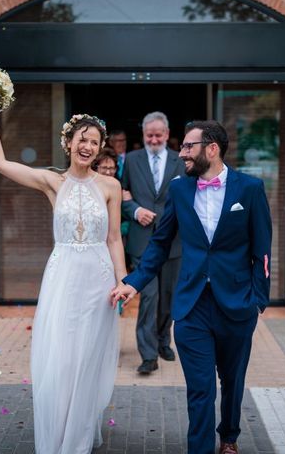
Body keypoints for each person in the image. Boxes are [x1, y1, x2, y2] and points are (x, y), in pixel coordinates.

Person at [0, 92, 126, 454]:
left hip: (98, 281)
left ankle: (76, 438)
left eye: (94, 141)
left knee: (86, 359)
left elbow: (114, 238)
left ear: (100, 147)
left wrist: (123, 280)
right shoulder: (51, 182)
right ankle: (58, 430)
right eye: (82, 139)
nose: (87, 146)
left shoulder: (111, 186)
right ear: (69, 142)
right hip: (62, 277)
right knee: (61, 359)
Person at [111, 120, 272, 454]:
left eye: (188, 146)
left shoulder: (250, 189)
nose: (181, 152)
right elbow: (159, 242)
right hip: (192, 305)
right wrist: (133, 282)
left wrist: (258, 299)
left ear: (211, 149)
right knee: (200, 389)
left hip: (237, 304)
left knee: (232, 382)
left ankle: (229, 436)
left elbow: (263, 250)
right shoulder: (180, 189)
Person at [121, 111, 186, 374]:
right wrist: (136, 210)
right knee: (149, 297)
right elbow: (122, 194)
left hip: (174, 242)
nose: (154, 139)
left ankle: (162, 340)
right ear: (144, 135)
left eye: (159, 135)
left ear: (167, 135)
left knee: (168, 299)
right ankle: (148, 356)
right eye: (149, 135)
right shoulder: (132, 160)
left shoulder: (180, 161)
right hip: (142, 242)